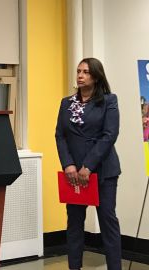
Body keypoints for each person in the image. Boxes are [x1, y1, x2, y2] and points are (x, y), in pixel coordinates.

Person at [55, 58, 121, 270]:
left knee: (107, 222)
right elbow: (60, 135)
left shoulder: (109, 100)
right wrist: (68, 165)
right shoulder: (67, 103)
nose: (80, 75)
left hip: (102, 170)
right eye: (78, 71)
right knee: (74, 223)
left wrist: (89, 166)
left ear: (96, 76)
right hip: (73, 173)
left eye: (85, 72)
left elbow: (109, 135)